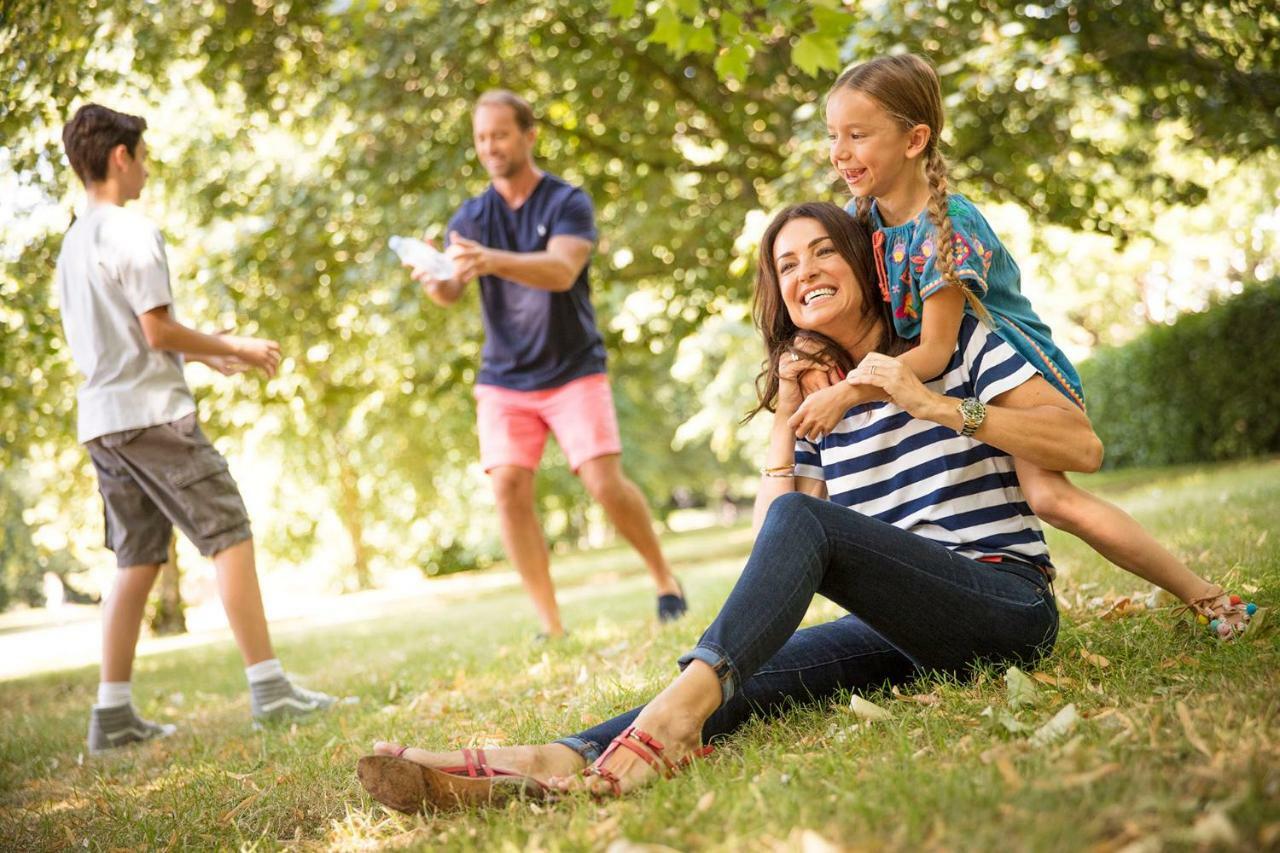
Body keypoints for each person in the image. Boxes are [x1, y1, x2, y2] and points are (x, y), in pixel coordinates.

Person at [354, 202, 1104, 811]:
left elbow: (1082, 444)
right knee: (748, 671)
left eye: (821, 253)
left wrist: (942, 407)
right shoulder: (815, 403)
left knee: (723, 656)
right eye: (785, 266)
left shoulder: (952, 340)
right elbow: (777, 543)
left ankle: (670, 724)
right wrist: (784, 412)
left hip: (1005, 606)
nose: (804, 272)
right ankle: (555, 755)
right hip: (903, 628)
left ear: (863, 261)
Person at [786, 54, 1253, 639]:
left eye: (858, 135)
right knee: (1045, 498)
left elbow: (932, 352)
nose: (840, 152)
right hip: (961, 371)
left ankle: (1207, 597)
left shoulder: (948, 227)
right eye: (834, 137)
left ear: (915, 139)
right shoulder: (867, 220)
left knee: (1052, 498)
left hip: (1008, 364)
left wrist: (846, 396)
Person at [55, 104, 335, 754]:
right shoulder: (130, 229)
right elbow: (155, 330)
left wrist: (208, 354)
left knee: (138, 557)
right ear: (121, 156)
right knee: (229, 531)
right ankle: (271, 689)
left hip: (104, 420)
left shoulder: (74, 243)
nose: (147, 168)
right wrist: (232, 345)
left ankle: (112, 712)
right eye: (143, 156)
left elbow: (127, 336)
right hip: (153, 416)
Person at [406, 90, 684, 636]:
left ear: (529, 135)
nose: (490, 147)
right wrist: (436, 278)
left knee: (603, 482)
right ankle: (550, 624)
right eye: (482, 137)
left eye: (501, 134)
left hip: (573, 367)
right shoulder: (471, 215)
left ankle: (664, 578)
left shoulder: (567, 202)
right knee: (507, 486)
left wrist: (490, 260)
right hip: (504, 377)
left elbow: (560, 271)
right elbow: (450, 292)